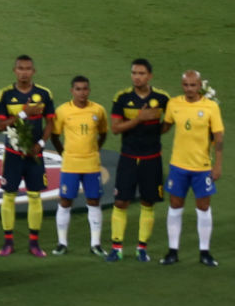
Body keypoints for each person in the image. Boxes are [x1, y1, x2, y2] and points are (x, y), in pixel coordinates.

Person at [0, 54, 56, 257]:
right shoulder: (4, 95)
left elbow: (50, 124)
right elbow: (0, 125)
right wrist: (23, 113)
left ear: (33, 71)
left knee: (35, 196)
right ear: (14, 71)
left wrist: (40, 143)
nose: (24, 72)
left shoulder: (44, 94)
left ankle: (34, 243)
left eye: (28, 69)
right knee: (9, 196)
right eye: (20, 68)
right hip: (12, 155)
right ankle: (8, 242)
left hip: (34, 155)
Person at [109, 58, 171, 261]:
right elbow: (116, 129)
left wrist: (155, 131)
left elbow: (168, 122)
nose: (137, 77)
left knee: (148, 201)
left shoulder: (162, 98)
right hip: (128, 157)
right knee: (120, 201)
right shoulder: (122, 98)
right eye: (134, 73)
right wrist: (139, 119)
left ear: (150, 76)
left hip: (151, 158)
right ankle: (116, 247)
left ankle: (141, 248)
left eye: (141, 73)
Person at [161, 69, 223, 266]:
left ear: (199, 86)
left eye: (193, 85)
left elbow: (219, 138)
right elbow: (165, 127)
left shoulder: (211, 106)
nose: (189, 89)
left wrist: (218, 165)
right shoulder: (173, 104)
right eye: (186, 85)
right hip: (178, 165)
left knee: (203, 207)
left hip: (202, 167)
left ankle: (204, 252)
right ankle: (173, 251)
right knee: (175, 206)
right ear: (182, 85)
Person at [51, 75, 110, 256]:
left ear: (89, 90)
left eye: (85, 89)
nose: (82, 92)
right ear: (72, 91)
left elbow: (103, 133)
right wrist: (64, 152)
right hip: (70, 165)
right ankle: (62, 243)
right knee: (65, 201)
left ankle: (96, 244)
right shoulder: (62, 111)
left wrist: (95, 149)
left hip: (91, 164)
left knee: (93, 201)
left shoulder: (98, 110)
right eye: (78, 89)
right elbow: (55, 135)